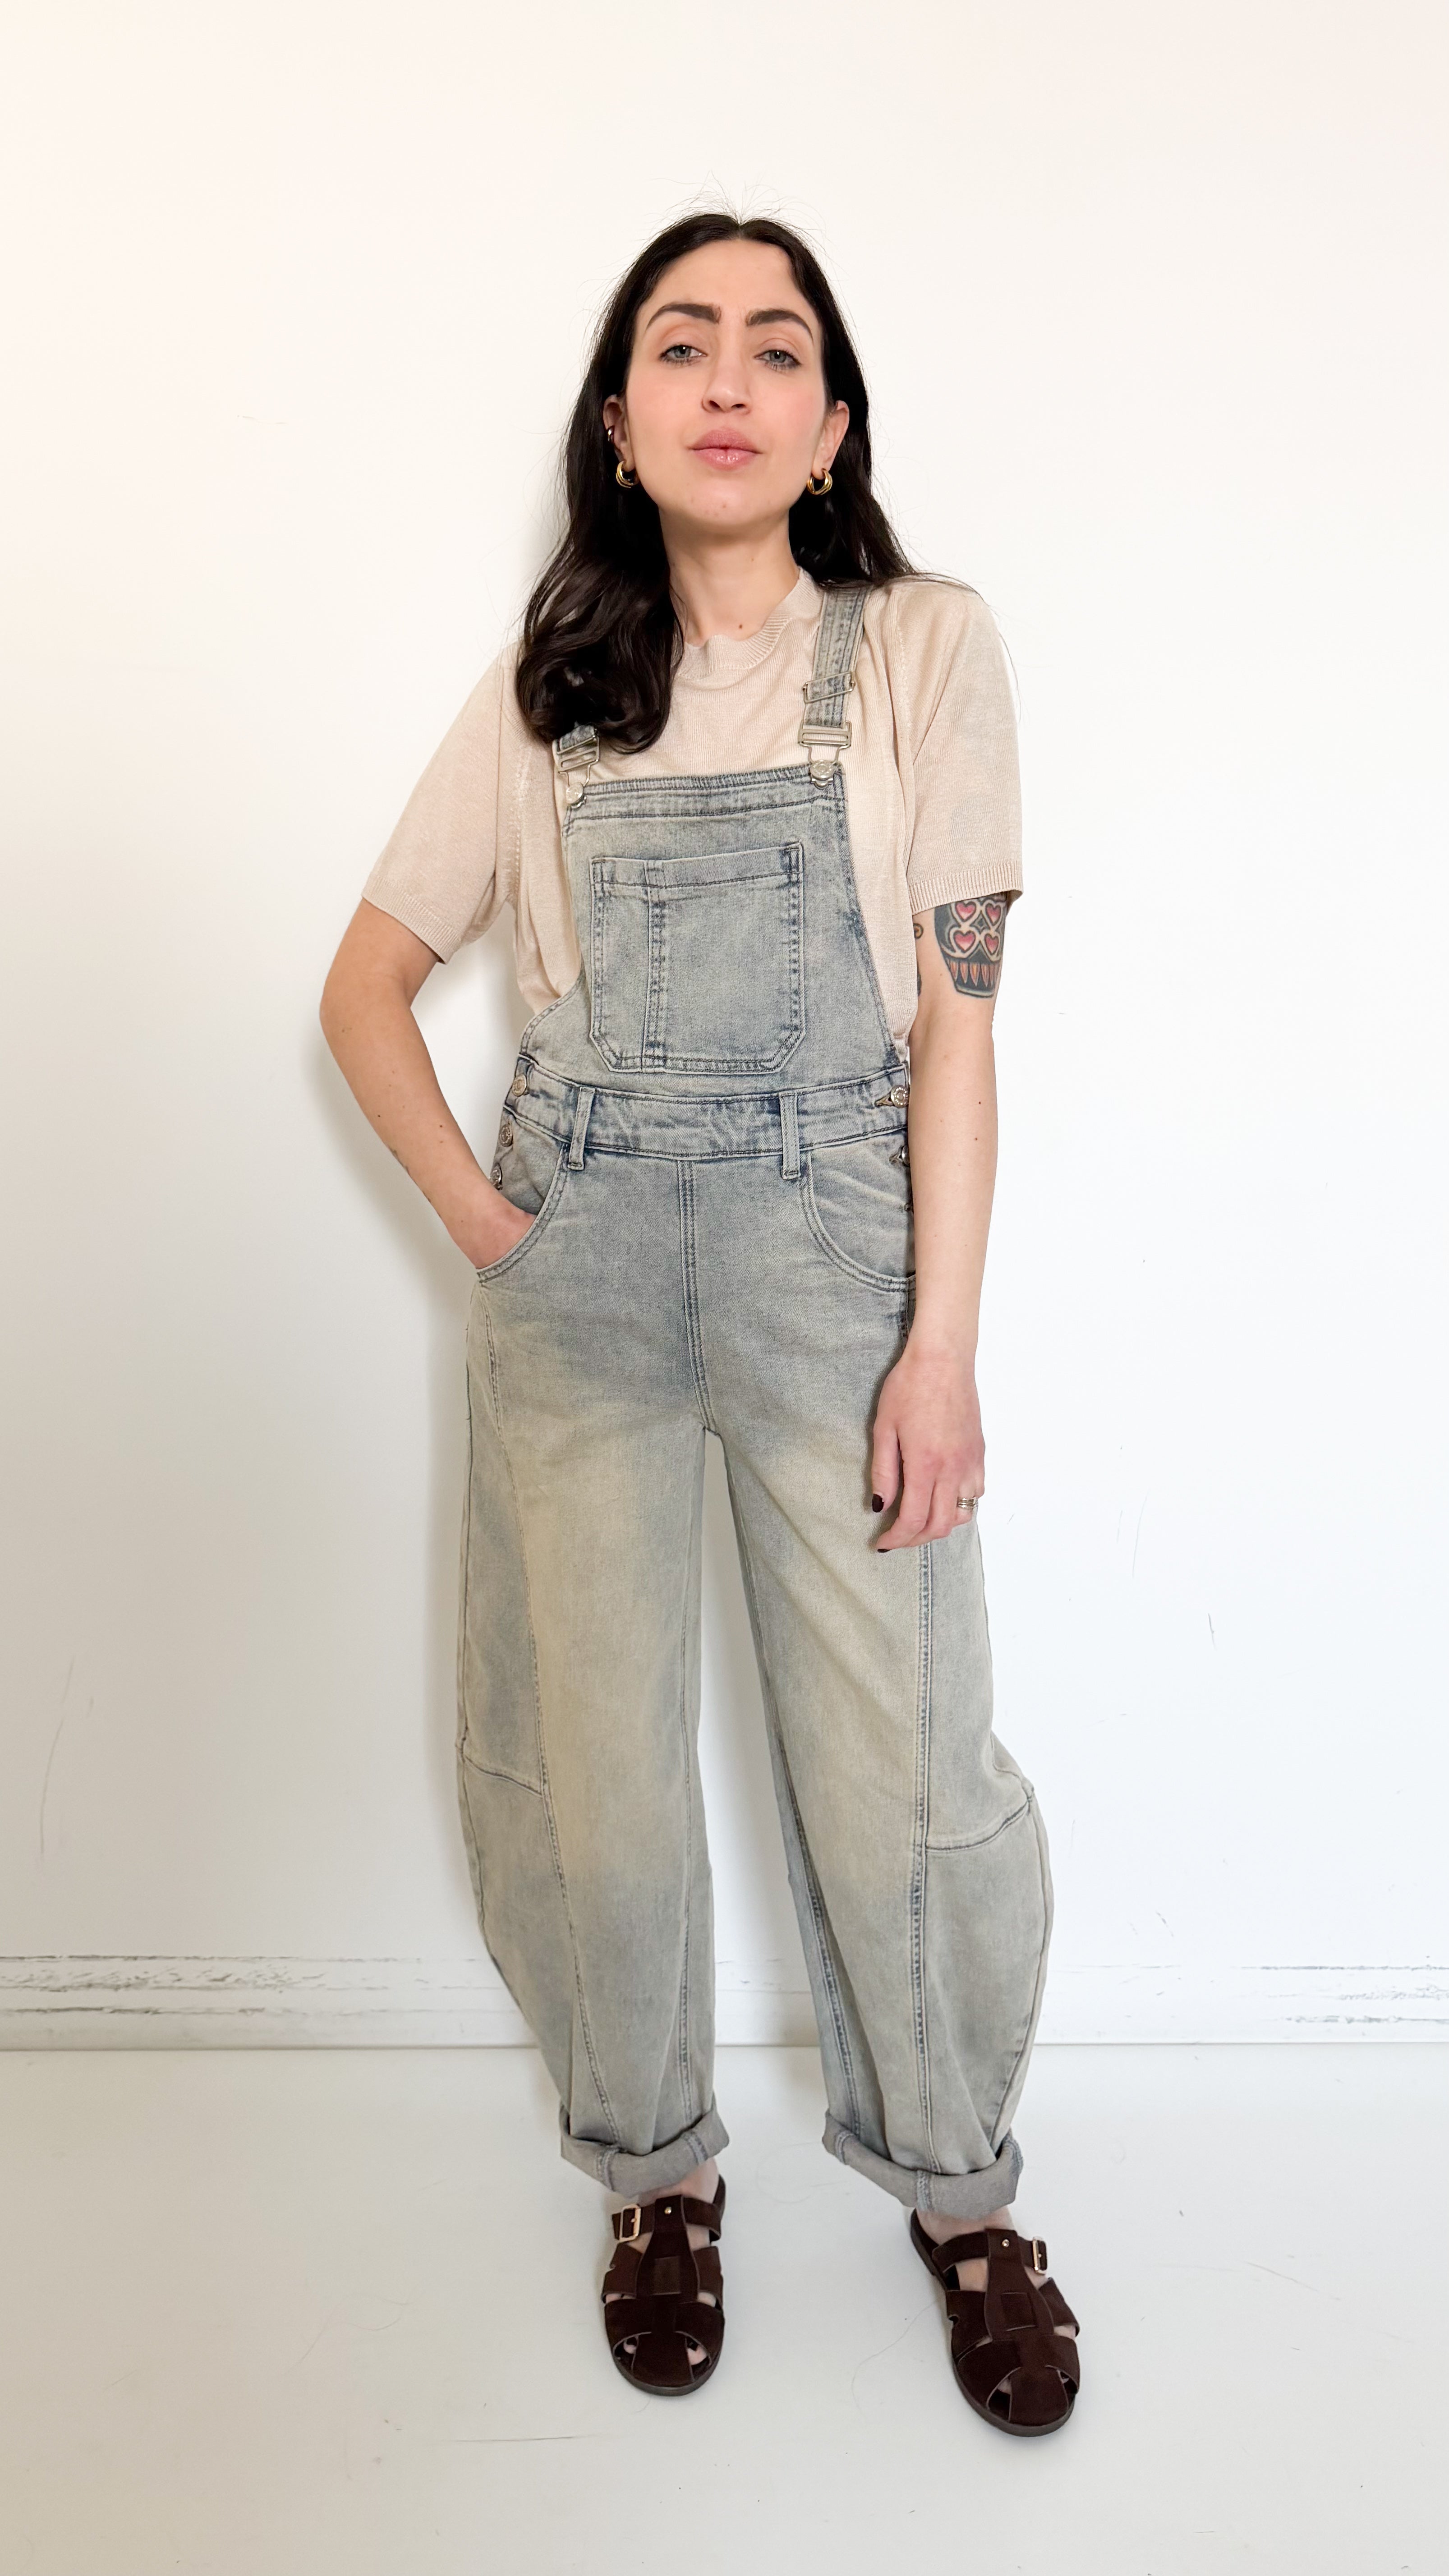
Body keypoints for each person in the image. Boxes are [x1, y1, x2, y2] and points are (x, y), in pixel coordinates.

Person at [320, 210, 1080, 2436]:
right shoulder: (553, 687)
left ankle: (964, 2195)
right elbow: (365, 988)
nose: (728, 378)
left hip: (836, 1257)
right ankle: (655, 2175)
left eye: (775, 346)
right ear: (622, 419)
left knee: (903, 1760)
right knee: (596, 1765)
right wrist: (494, 1227)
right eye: (681, 343)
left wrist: (939, 1346)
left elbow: (958, 1028)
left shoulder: (926, 648)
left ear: (832, 426)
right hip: (583, 1273)